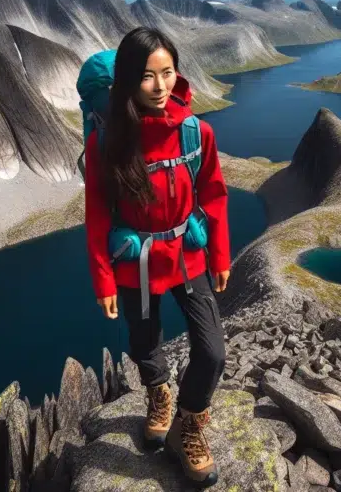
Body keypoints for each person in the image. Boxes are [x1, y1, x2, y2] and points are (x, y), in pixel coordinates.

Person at [82, 26, 230, 487]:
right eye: (148, 76)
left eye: (168, 72)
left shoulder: (196, 132)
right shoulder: (106, 143)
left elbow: (214, 194)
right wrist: (104, 279)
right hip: (138, 261)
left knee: (212, 352)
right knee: (145, 342)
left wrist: (221, 255)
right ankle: (159, 395)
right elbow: (97, 215)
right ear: (128, 80)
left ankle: (188, 421)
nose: (161, 85)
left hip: (187, 254)